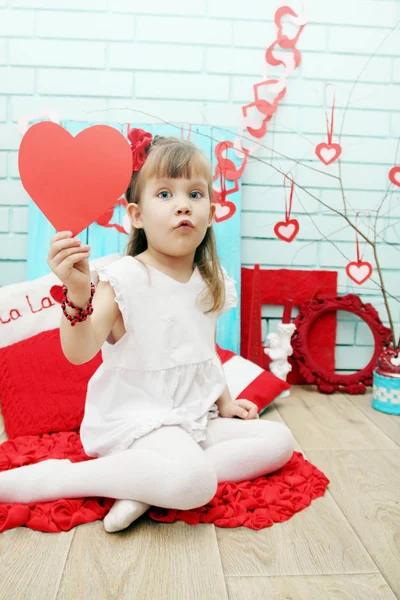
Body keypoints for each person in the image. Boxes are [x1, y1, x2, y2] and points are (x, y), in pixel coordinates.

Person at [0, 130, 294, 533]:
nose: (182, 206)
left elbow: (205, 348)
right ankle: (54, 479)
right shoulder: (124, 279)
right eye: (164, 195)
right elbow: (80, 350)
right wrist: (75, 291)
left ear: (211, 211)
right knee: (196, 483)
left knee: (277, 442)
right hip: (139, 419)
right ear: (136, 215)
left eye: (195, 194)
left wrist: (225, 402)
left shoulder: (210, 281)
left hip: (191, 415)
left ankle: (143, 486)